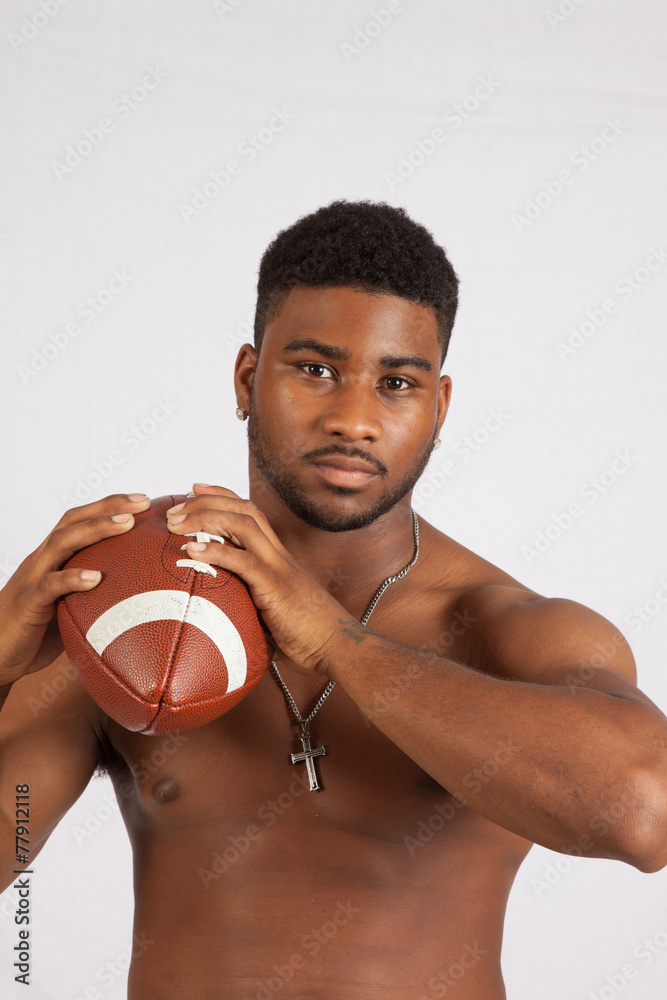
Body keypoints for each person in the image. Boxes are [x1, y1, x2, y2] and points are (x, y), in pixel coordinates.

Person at [2, 200, 667, 999]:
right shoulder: (128, 619)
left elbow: (642, 814)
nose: (354, 419)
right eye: (315, 370)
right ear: (248, 378)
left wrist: (334, 641)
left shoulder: (506, 628)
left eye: (395, 383)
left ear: (439, 409)